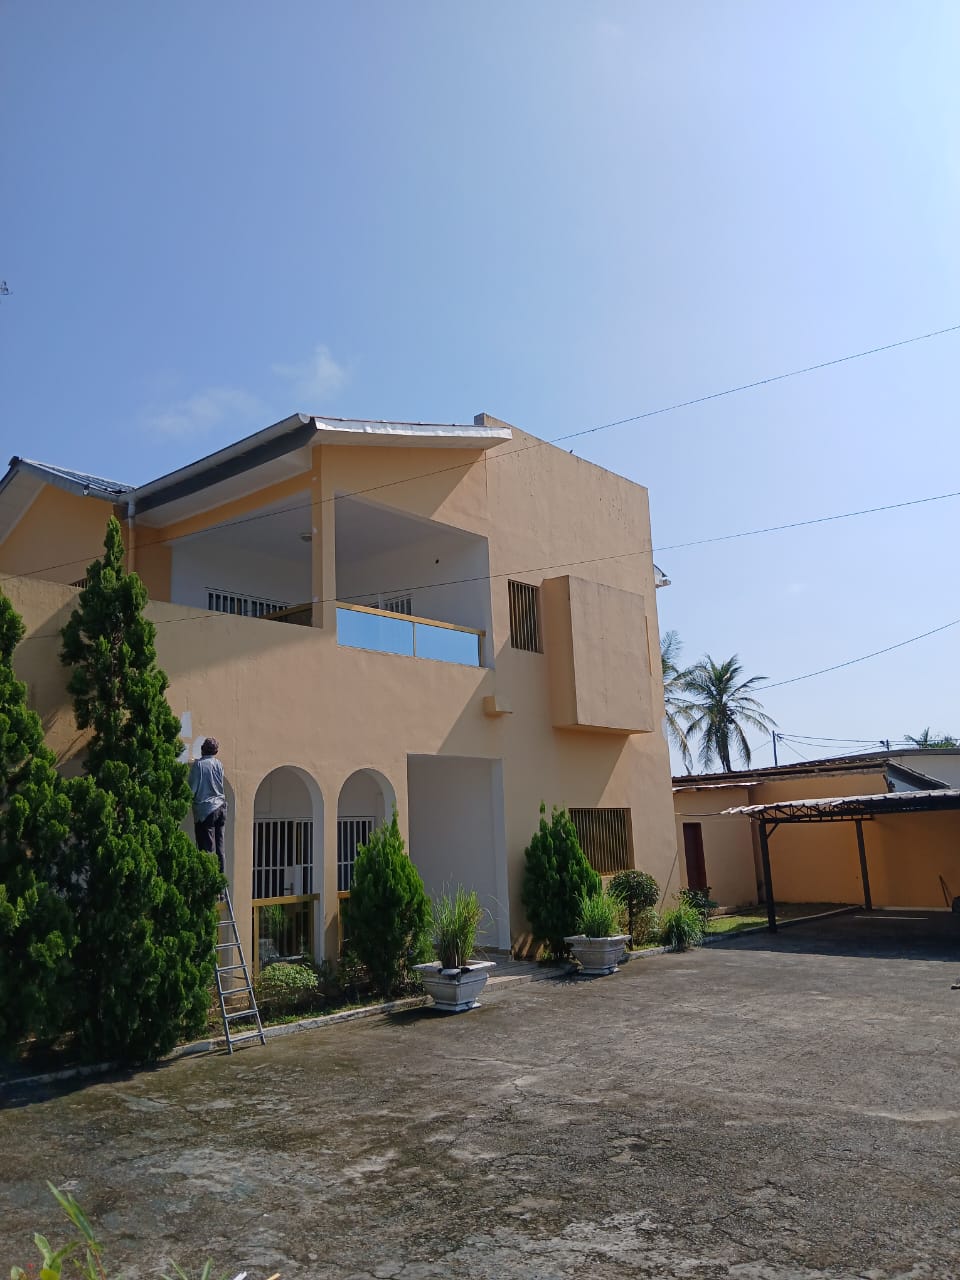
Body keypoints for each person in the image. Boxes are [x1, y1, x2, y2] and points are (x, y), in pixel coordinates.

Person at [189, 737, 227, 877]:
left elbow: (191, 789)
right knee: (219, 848)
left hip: (206, 810)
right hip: (221, 808)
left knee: (207, 849)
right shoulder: (219, 764)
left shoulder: (199, 766)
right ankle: (220, 882)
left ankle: (209, 881)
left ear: (202, 749)